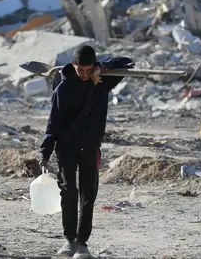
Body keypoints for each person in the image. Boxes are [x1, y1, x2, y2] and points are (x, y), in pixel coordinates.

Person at [38, 45, 130, 258]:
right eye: (81, 70)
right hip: (66, 147)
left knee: (88, 195)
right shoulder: (63, 88)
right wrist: (45, 152)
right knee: (69, 192)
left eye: (89, 70)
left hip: (90, 147)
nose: (85, 74)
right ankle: (69, 241)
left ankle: (82, 244)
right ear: (73, 65)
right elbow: (53, 124)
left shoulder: (102, 83)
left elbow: (127, 62)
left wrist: (103, 68)